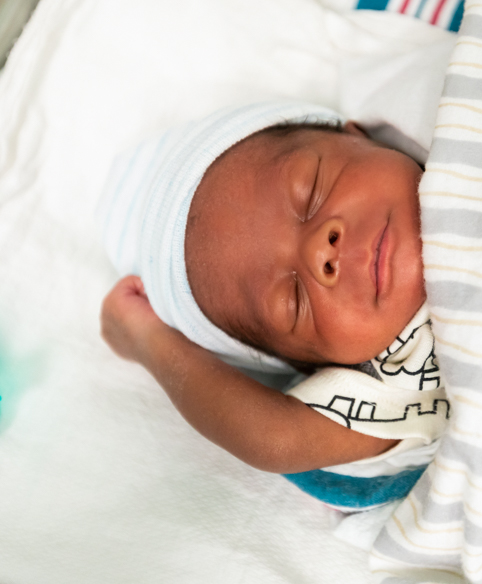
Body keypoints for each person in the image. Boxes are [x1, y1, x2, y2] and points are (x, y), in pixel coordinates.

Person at [97, 101, 449, 510]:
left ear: (356, 135)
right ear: (317, 366)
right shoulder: (396, 381)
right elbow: (274, 437)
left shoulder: (455, 119)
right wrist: (151, 341)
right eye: (294, 302)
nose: (321, 252)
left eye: (312, 191)